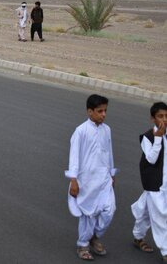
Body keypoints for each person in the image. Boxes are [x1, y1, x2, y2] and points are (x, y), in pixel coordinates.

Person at [66, 94, 117, 261]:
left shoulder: (107, 130)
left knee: (109, 211)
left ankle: (94, 236)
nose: (103, 114)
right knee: (88, 214)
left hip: (104, 179)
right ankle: (83, 244)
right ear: (90, 112)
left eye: (105, 111)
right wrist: (73, 180)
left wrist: (111, 173)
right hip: (86, 180)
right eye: (100, 111)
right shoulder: (80, 131)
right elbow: (74, 157)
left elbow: (109, 152)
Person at [131, 101, 167, 259]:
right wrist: (158, 139)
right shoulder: (148, 137)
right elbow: (151, 159)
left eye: (166, 116)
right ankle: (166, 251)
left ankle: (138, 237)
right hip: (154, 183)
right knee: (160, 217)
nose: (164, 119)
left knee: (146, 211)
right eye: (160, 116)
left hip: (165, 183)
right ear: (153, 119)